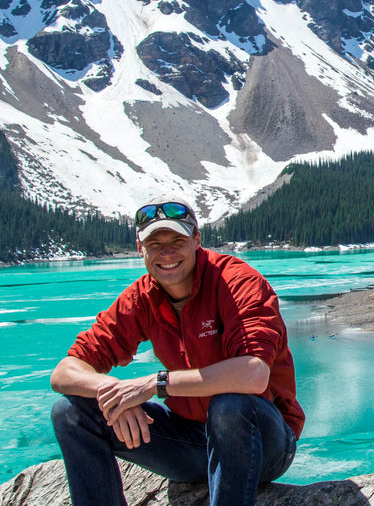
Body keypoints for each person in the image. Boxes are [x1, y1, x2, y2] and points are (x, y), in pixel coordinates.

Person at [49, 197, 304, 506]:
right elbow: (65, 372)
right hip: (192, 443)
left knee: (230, 405)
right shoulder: (142, 297)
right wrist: (116, 393)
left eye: (177, 240)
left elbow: (253, 374)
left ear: (197, 240)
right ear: (140, 249)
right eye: (155, 244)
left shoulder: (236, 281)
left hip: (263, 444)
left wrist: (154, 384)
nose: (166, 252)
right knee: (71, 412)